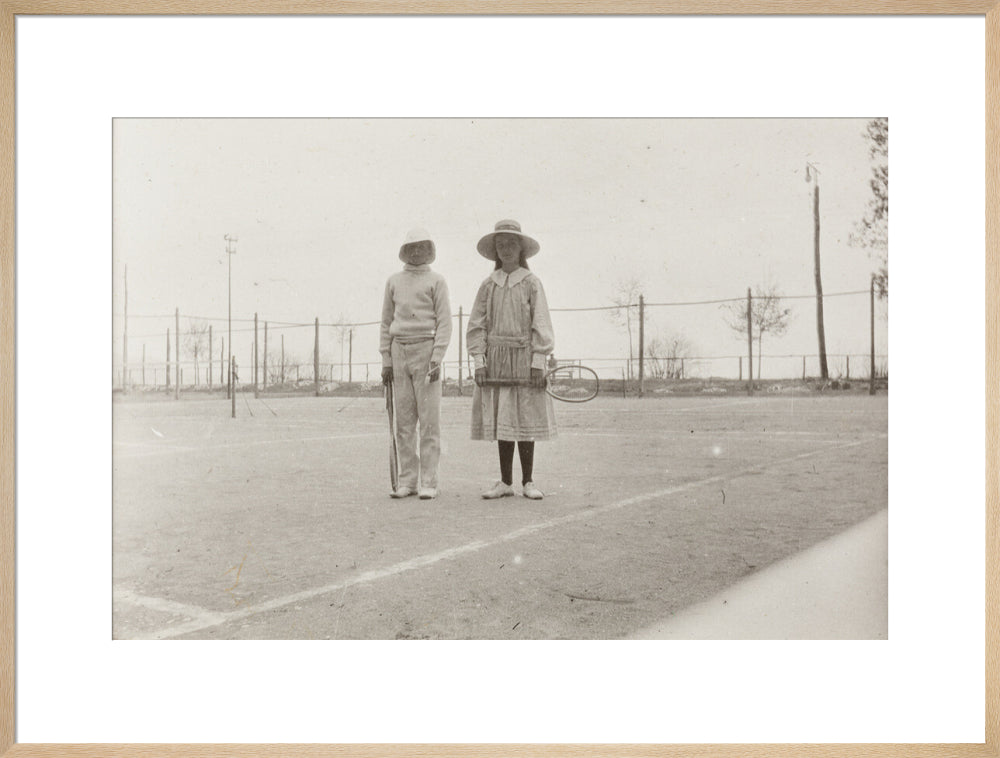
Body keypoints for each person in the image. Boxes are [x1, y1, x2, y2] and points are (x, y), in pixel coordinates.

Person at [467, 219, 556, 500]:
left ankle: (528, 481)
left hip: (524, 358)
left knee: (524, 416)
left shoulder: (531, 283)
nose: (506, 249)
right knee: (503, 416)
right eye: (501, 245)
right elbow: (476, 325)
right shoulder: (487, 285)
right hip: (495, 359)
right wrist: (479, 362)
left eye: (511, 244)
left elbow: (541, 322)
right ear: (495, 251)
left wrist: (539, 363)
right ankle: (505, 482)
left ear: (521, 249)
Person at [379, 228, 452, 500]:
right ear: (405, 251)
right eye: (412, 247)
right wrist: (386, 358)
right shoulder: (394, 281)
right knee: (404, 421)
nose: (417, 252)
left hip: (426, 349)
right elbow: (386, 322)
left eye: (422, 247)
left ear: (429, 249)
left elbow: (445, 322)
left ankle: (429, 481)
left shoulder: (437, 281)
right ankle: (407, 480)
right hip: (399, 351)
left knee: (429, 420)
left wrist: (437, 357)